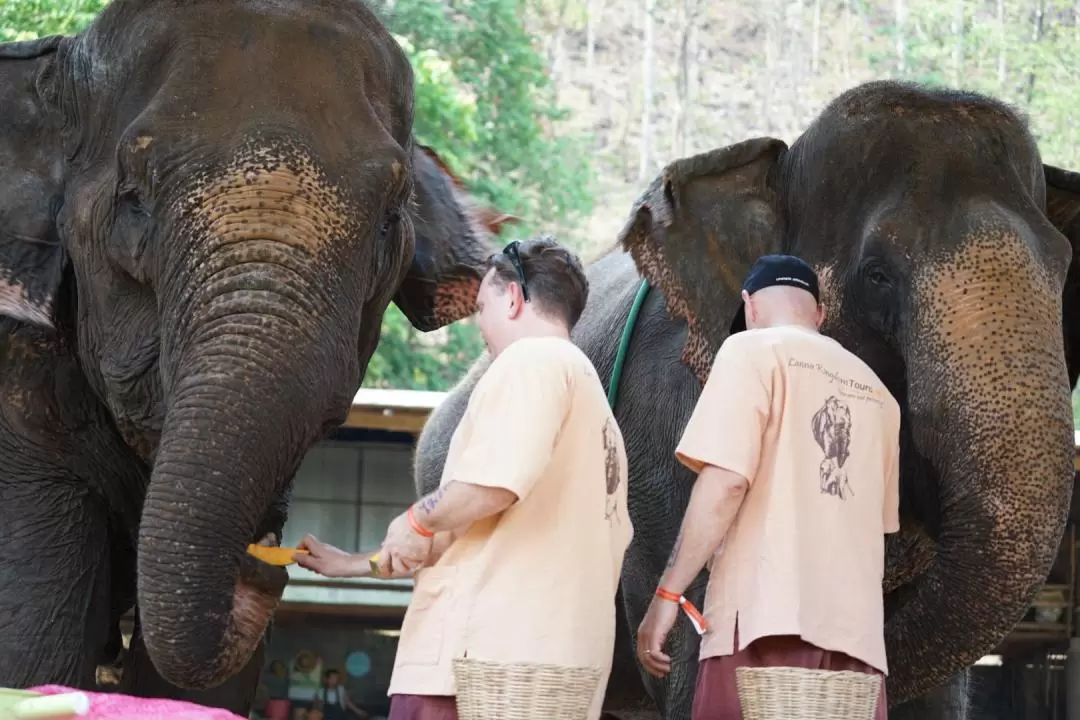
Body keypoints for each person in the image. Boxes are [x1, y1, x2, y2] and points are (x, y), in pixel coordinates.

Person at [296, 236, 633, 720]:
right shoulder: (596, 412)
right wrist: (353, 564)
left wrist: (415, 519)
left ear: (513, 298)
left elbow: (491, 485)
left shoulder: (531, 361)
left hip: (477, 668)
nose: (481, 326)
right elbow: (469, 525)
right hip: (546, 673)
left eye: (482, 306)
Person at [635, 254, 900, 720]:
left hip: (762, 628)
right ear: (820, 314)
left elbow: (726, 484)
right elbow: (877, 527)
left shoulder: (749, 351)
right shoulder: (879, 394)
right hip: (856, 647)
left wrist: (667, 596)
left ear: (749, 306)